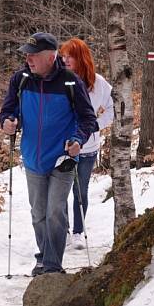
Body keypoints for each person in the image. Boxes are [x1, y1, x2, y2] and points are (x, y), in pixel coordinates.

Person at [0, 32, 98, 276]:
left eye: (34, 55)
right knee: (38, 212)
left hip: (62, 158)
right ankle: (44, 256)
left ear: (51, 56)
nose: (29, 59)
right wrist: (7, 122)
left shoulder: (71, 82)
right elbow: (8, 109)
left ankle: (52, 265)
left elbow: (88, 119)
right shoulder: (20, 79)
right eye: (27, 55)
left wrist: (77, 140)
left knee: (55, 210)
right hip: (33, 157)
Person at [59, 37, 114, 249]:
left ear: (81, 57)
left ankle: (78, 232)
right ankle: (61, 230)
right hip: (62, 145)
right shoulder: (60, 80)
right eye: (63, 56)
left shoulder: (98, 83)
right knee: (60, 189)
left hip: (88, 147)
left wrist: (95, 126)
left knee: (80, 190)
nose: (65, 60)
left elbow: (113, 108)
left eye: (69, 56)